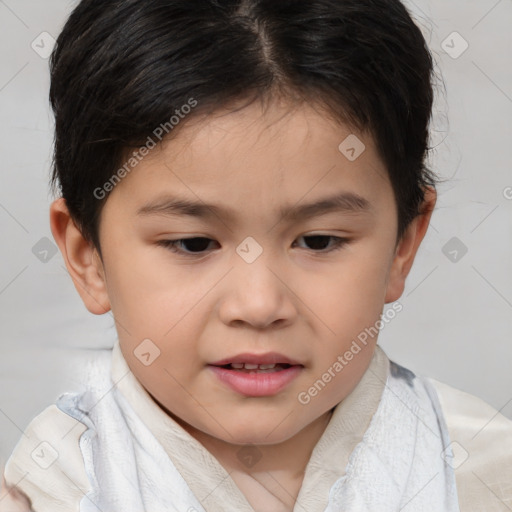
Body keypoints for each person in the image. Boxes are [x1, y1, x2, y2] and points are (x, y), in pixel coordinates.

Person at [1, 0, 511, 510]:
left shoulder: (481, 472)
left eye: (318, 241)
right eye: (193, 243)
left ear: (404, 243)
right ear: (87, 254)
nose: (260, 304)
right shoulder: (54, 486)